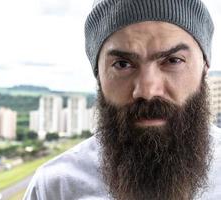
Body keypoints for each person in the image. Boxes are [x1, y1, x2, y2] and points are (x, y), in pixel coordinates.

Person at [23, 0, 221, 199]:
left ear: (204, 66)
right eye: (123, 64)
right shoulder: (55, 188)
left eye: (173, 60)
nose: (147, 90)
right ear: (98, 74)